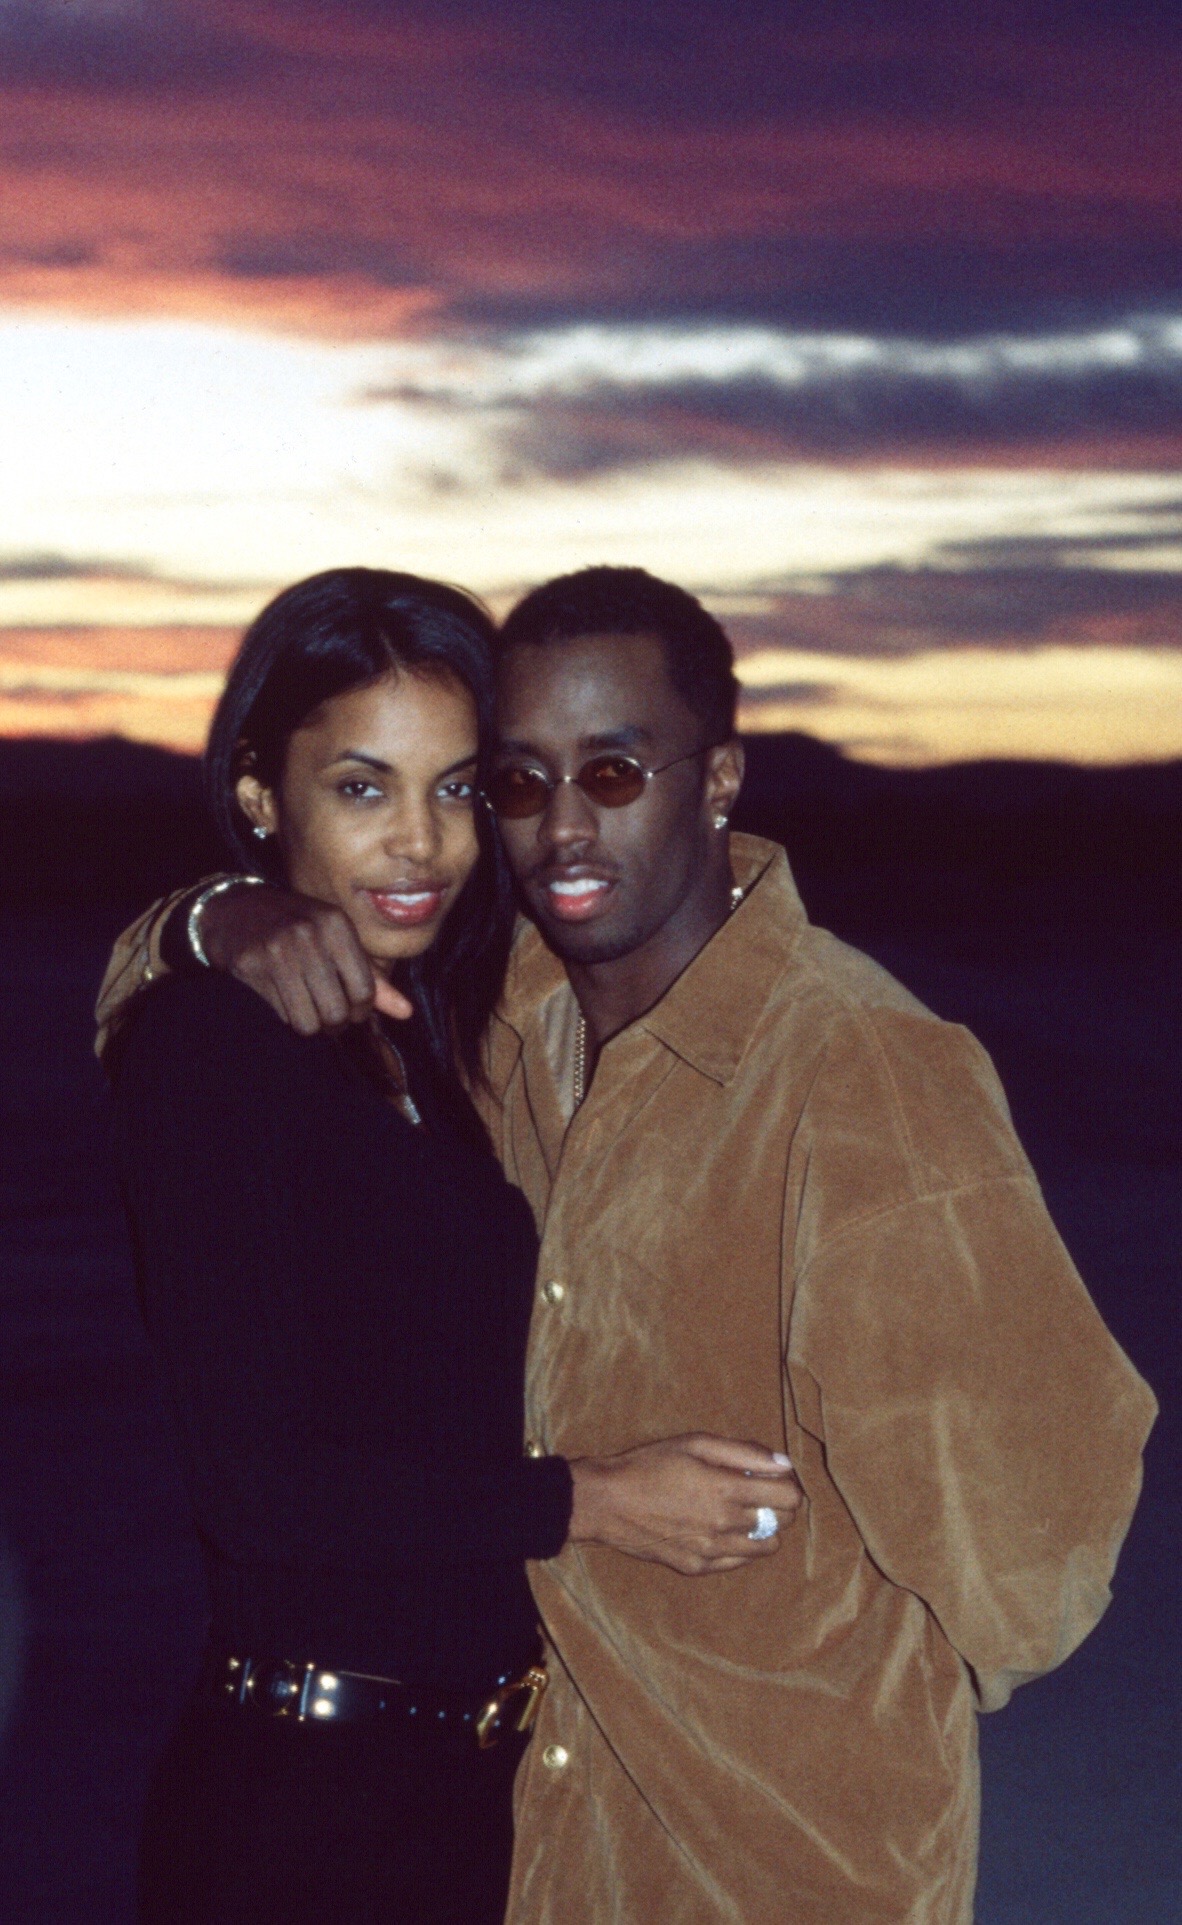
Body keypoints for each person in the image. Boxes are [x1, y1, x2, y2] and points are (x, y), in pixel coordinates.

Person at [99, 565, 1156, 1924]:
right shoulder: (502, 1025)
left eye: (612, 769)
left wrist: (827, 1690)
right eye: (520, 781)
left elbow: (1031, 1565)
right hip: (521, 1837)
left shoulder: (860, 1071)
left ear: (716, 778)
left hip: (776, 1861)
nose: (557, 827)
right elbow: (172, 1032)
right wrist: (208, 915)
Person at [104, 567, 800, 1925]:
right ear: (261, 792)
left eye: (459, 788)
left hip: (477, 1797)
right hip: (303, 1815)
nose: (415, 844)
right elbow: (258, 1488)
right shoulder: (215, 1045)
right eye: (361, 787)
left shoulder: (445, 1029)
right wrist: (590, 1499)